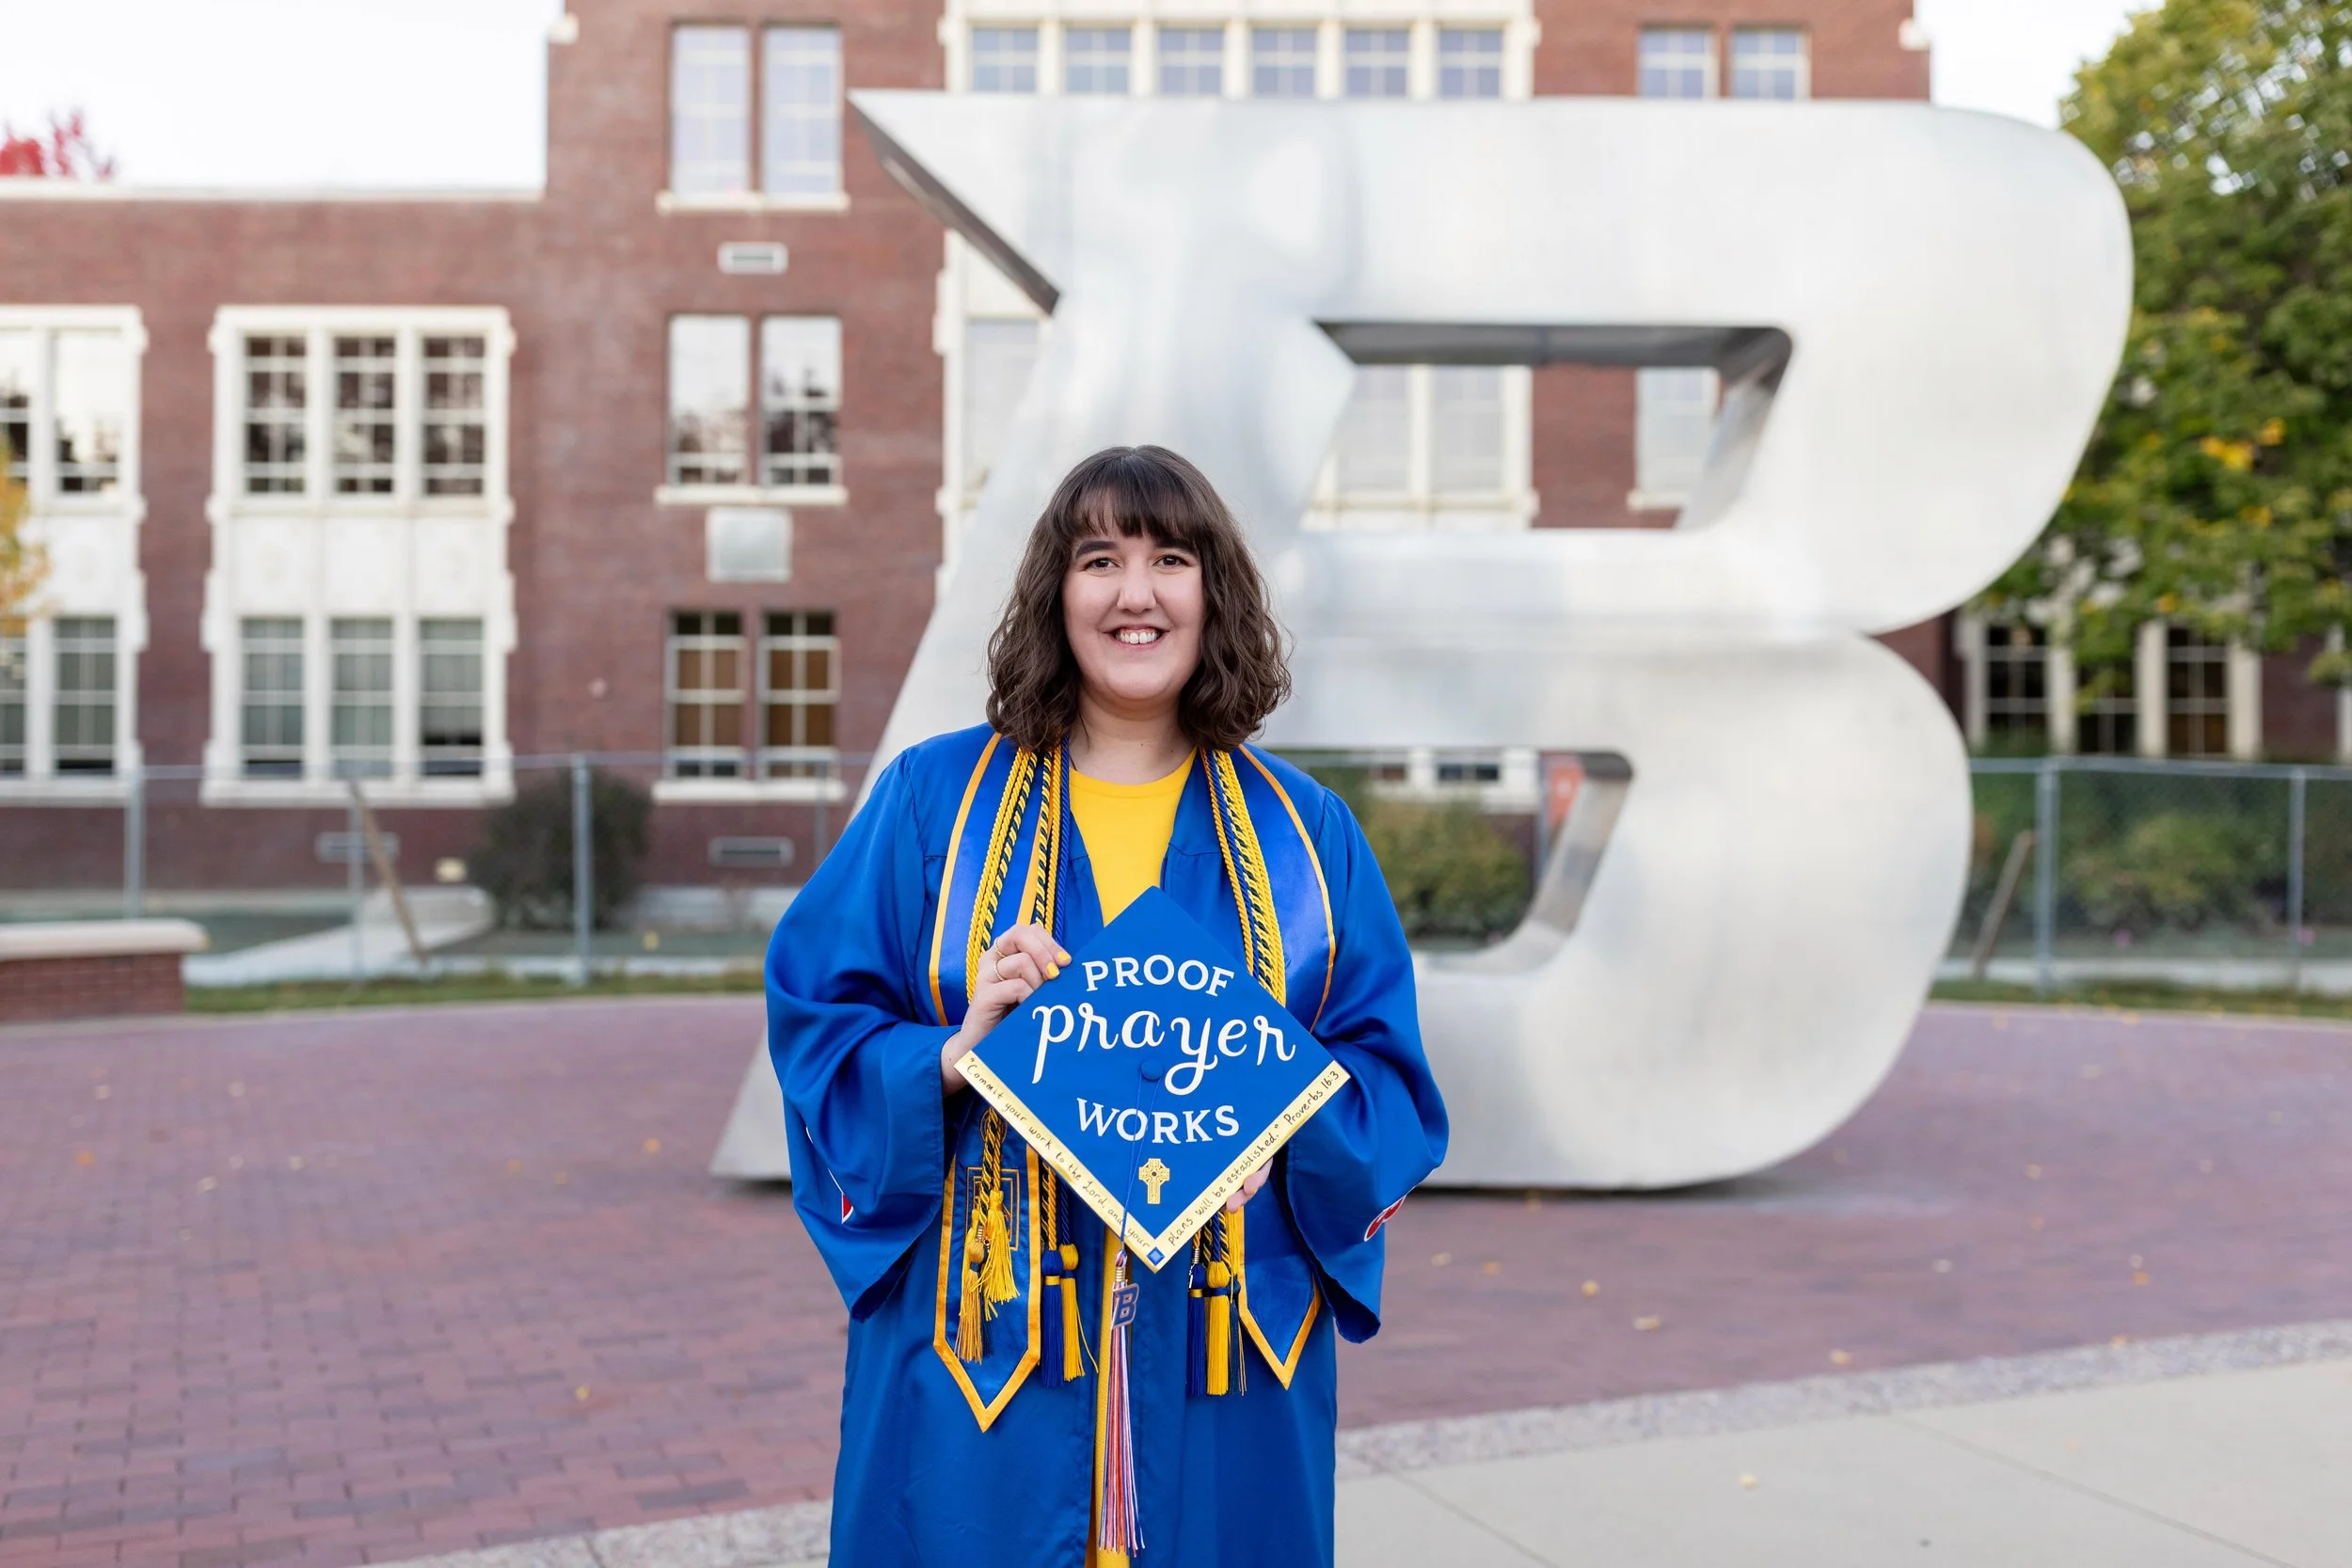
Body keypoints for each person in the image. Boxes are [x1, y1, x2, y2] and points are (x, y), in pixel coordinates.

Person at [766, 445, 1448, 1567]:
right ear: (1057, 595)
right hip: (988, 1346)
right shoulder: (935, 802)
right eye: (1100, 559)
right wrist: (949, 1053)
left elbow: (1388, 1082)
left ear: (1211, 592)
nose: (1136, 591)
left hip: (1225, 1342)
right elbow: (817, 1020)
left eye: (1169, 558)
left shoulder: (1305, 835)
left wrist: (1277, 1096)